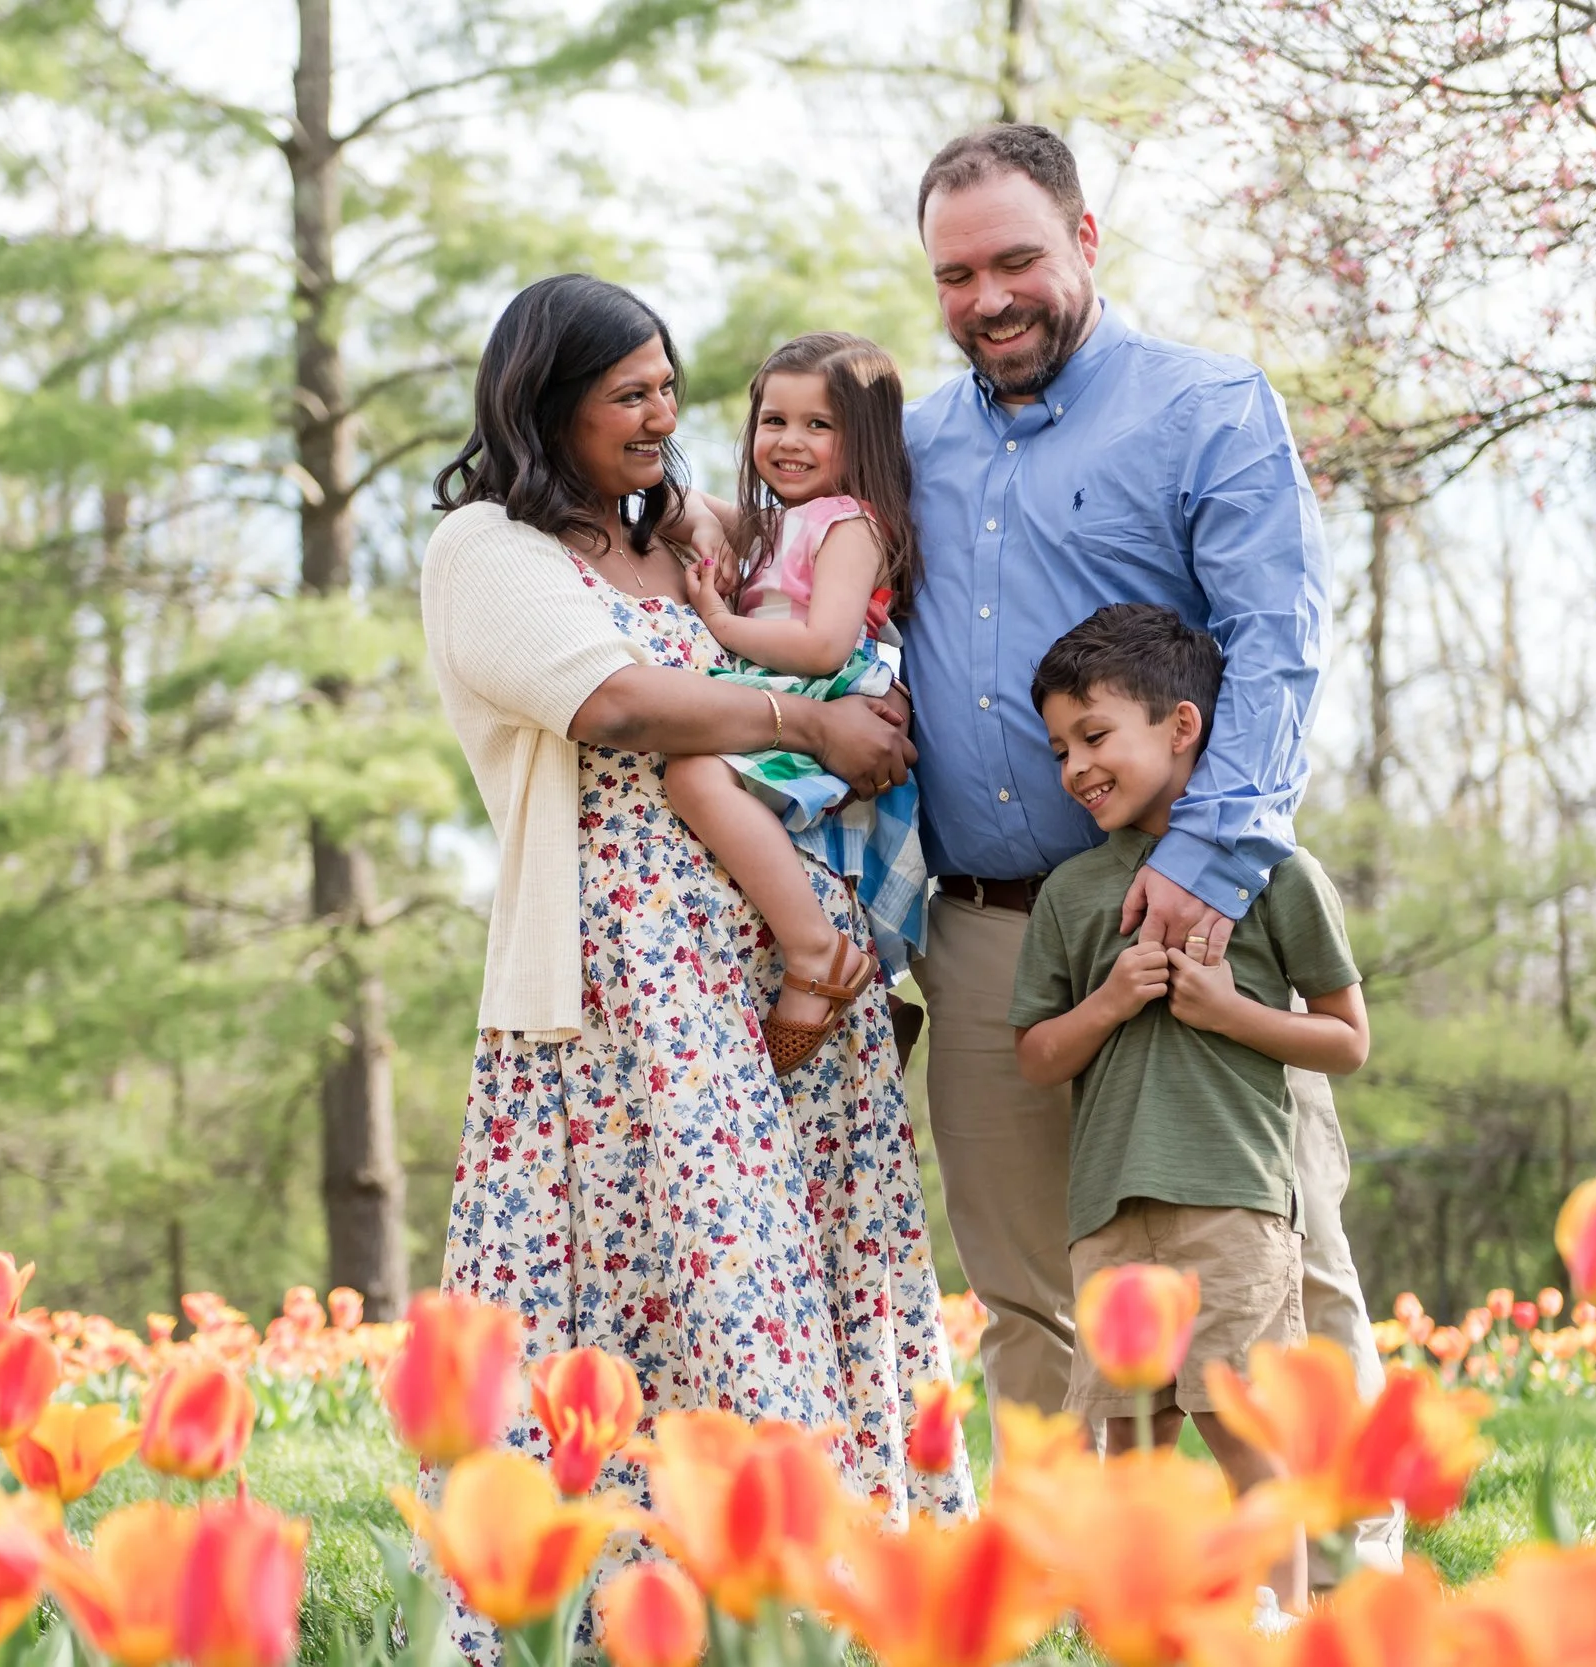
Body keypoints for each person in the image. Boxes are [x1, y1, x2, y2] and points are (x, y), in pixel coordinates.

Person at [415, 274, 972, 1660]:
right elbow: (612, 701)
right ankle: (628, 1605)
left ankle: (837, 1599)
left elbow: (829, 600)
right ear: (547, 406)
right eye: (627, 395)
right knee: (671, 1270)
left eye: (669, 386)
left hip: (787, 958)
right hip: (629, 977)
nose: (662, 415)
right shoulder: (487, 549)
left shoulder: (690, 532)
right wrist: (807, 716)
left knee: (813, 1253)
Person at [899, 122, 1401, 1573]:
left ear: (1085, 240)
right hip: (991, 920)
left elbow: (1277, 647)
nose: (987, 298)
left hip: (1190, 915)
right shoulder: (916, 444)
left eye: (1014, 260)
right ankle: (1080, 1575)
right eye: (953, 275)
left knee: (1275, 1257)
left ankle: (1346, 1577)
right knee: (1029, 1284)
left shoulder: (1206, 408)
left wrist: (1214, 866)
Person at [1011, 604, 1370, 1616]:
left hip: (1235, 1200)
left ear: (1182, 725)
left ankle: (1280, 1618)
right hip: (1107, 1211)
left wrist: (1229, 1010)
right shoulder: (1072, 893)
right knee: (1127, 1432)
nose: (1075, 766)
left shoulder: (1273, 870)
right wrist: (1112, 998)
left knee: (1242, 1418)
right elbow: (1037, 1054)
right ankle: (1136, 1619)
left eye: (1094, 735)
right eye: (1058, 748)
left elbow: (1346, 1038)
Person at [667, 333, 929, 1070]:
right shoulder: (781, 519)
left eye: (819, 425)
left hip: (826, 688)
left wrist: (720, 624)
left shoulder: (847, 523)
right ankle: (877, 993)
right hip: (789, 689)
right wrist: (707, 525)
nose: (790, 441)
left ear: (862, 439)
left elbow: (822, 645)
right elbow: (678, 501)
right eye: (773, 421)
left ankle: (817, 952)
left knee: (691, 772)